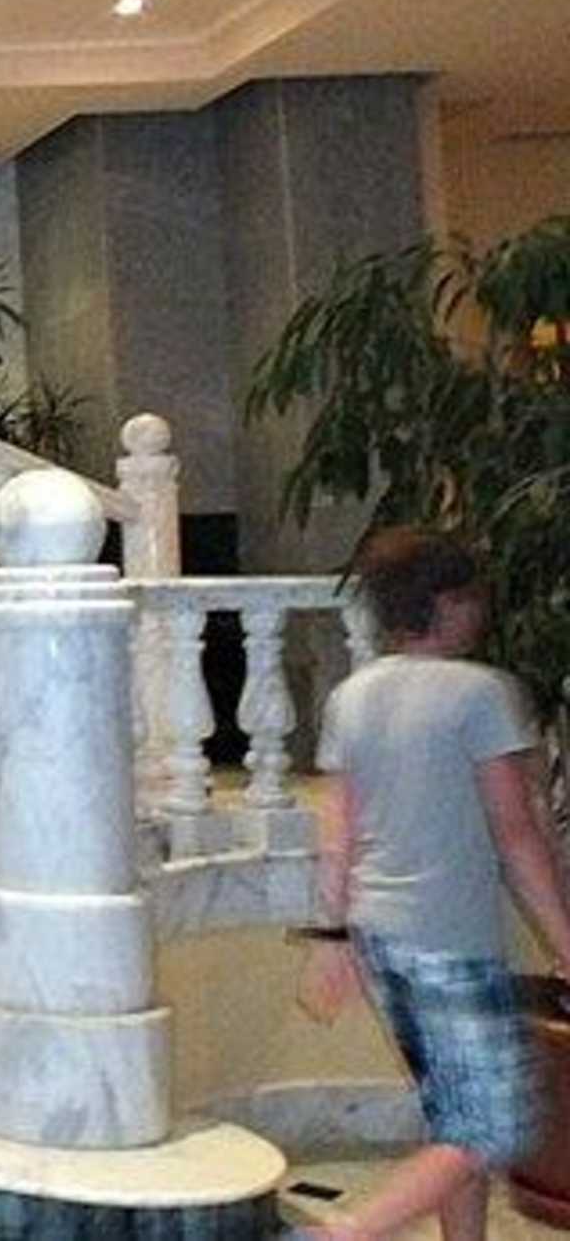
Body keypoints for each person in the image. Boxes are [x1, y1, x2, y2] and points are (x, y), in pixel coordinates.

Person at [289, 528, 570, 1241]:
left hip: (379, 940)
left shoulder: (352, 697)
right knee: (488, 1128)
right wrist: (568, 945)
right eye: (472, 597)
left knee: (453, 1116)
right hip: (449, 944)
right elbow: (517, 837)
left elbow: (337, 831)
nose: (480, 612)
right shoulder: (481, 694)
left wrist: (331, 940)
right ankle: (347, 1234)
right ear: (444, 602)